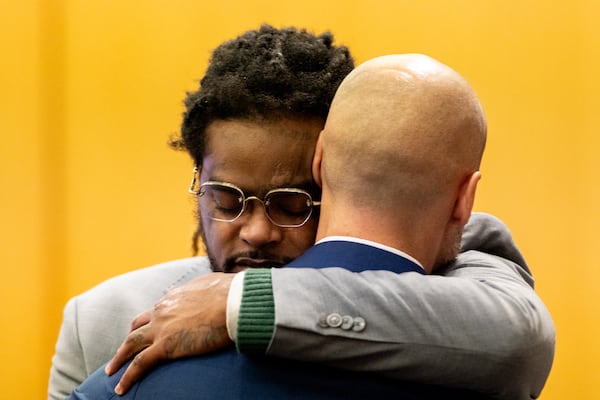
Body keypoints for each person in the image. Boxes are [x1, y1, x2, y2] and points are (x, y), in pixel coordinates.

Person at [49, 25, 554, 400]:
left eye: (292, 203)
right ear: (197, 181)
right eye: (226, 199)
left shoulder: (449, 271)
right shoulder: (100, 321)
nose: (258, 231)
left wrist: (240, 306)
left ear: (332, 174)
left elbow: (515, 338)